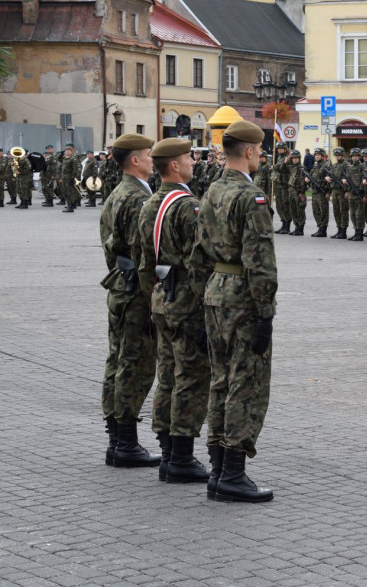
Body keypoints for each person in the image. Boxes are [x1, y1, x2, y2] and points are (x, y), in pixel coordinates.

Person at [195, 120, 277, 503]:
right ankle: (233, 473)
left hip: (214, 293)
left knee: (220, 380)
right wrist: (266, 312)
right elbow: (259, 259)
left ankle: (216, 468)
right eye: (259, 150)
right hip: (243, 297)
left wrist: (201, 301)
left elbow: (198, 253)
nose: (260, 156)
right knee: (247, 384)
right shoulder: (252, 196)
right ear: (248, 151)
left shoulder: (211, 189)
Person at [136, 138, 210, 484]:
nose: (194, 163)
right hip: (186, 303)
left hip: (161, 298)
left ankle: (167, 450)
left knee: (167, 375)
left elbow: (144, 261)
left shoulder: (151, 203)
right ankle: (181, 455)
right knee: (191, 378)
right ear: (175, 166)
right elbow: (199, 262)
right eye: (189, 159)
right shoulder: (188, 206)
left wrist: (152, 295)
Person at [98, 132, 160, 468]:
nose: (153, 159)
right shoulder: (137, 198)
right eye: (148, 154)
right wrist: (154, 296)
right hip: (136, 290)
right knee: (135, 365)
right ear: (135, 160)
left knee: (118, 360)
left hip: (120, 285)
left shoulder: (119, 192)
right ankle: (125, 442)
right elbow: (143, 253)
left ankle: (116, 439)